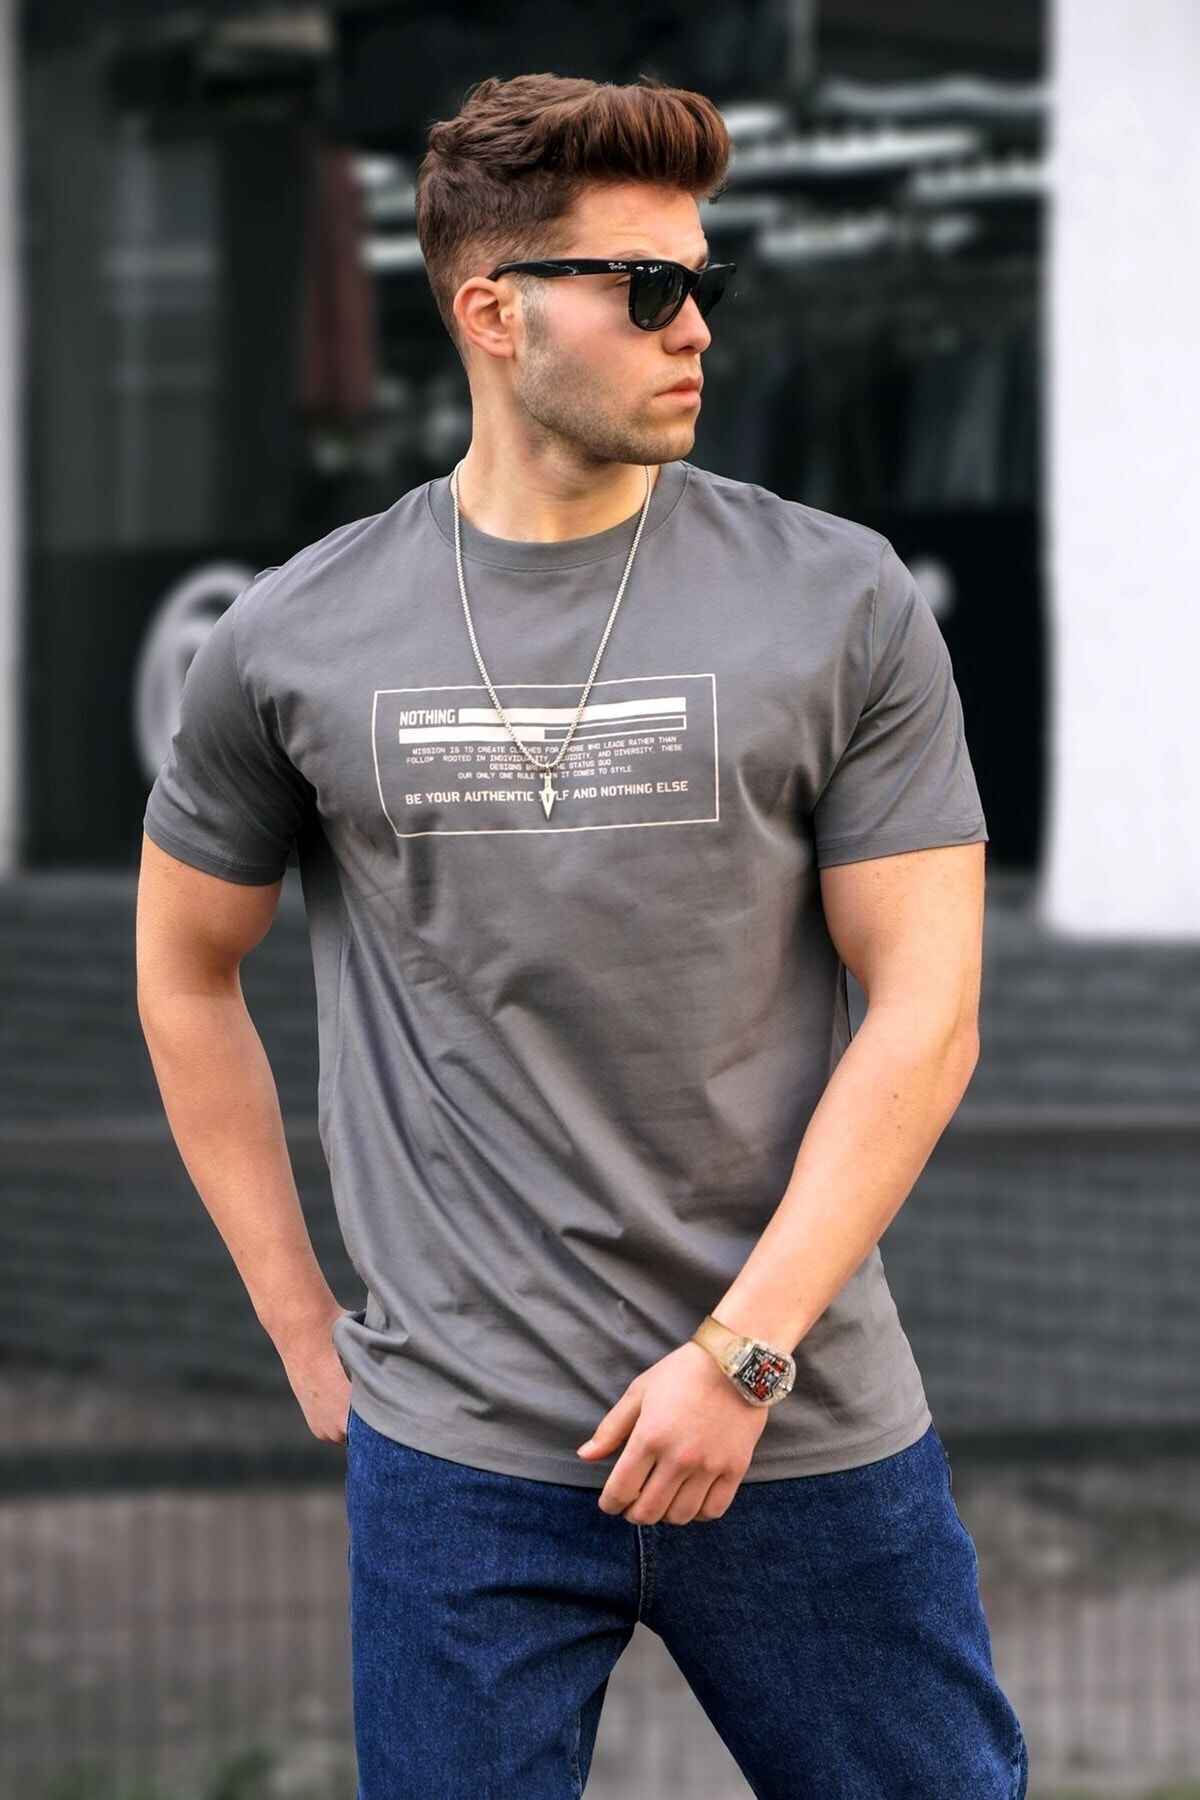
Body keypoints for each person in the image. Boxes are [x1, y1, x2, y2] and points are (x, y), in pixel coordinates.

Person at [136, 69, 1028, 1800]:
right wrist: (301, 1322)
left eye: (707, 281)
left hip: (797, 1423)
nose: (698, 327)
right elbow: (184, 964)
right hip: (464, 1457)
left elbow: (927, 1009)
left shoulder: (841, 598)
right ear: (494, 312)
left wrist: (740, 1359)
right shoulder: (296, 636)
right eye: (649, 286)